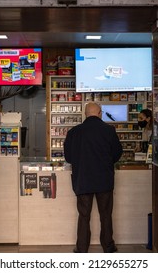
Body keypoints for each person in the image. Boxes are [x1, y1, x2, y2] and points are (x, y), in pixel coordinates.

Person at [64, 102, 123, 253]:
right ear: (100, 113)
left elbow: (69, 157)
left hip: (82, 180)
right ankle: (108, 247)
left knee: (84, 215)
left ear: (85, 114)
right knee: (106, 215)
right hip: (104, 180)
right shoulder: (109, 131)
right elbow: (117, 154)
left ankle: (82, 248)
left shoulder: (74, 132)